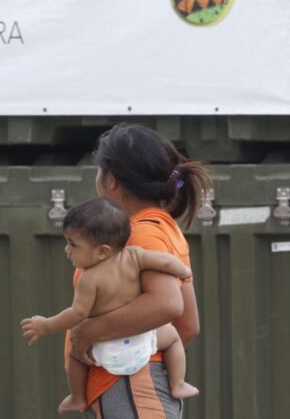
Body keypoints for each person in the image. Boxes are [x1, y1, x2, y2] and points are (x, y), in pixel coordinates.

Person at [66, 123, 212, 418]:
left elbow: (167, 304)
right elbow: (188, 324)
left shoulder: (140, 234)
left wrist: (88, 334)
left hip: (131, 387)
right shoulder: (162, 229)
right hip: (131, 386)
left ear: (111, 180)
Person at [21, 198, 199, 414]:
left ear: (102, 251)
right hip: (142, 343)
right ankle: (178, 382)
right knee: (172, 337)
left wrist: (47, 325)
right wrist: (184, 272)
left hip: (107, 350)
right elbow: (164, 261)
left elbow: (77, 313)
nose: (67, 250)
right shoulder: (135, 256)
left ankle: (76, 397)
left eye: (72, 244)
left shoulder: (90, 278)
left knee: (76, 353)